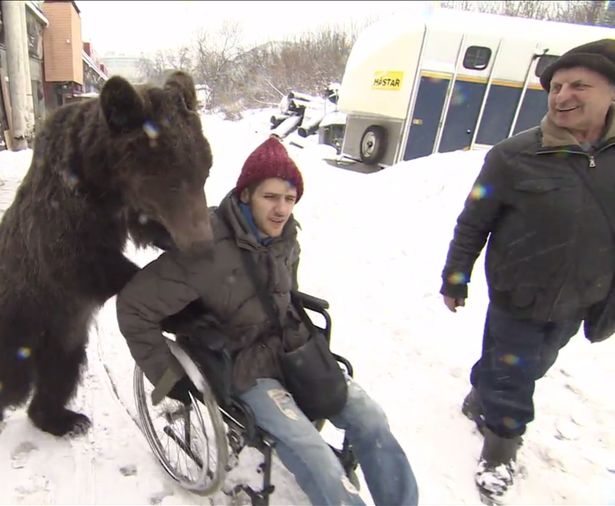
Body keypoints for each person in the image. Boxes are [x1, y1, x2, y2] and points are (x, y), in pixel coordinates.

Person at [116, 136, 418, 506]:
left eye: (289, 199)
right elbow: (134, 306)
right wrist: (168, 379)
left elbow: (285, 296)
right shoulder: (204, 248)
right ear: (245, 195)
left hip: (294, 350)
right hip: (243, 365)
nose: (281, 210)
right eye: (270, 197)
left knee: (370, 419)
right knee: (313, 452)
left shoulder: (287, 238)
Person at [439, 39, 615, 502]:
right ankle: (501, 445)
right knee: (514, 377)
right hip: (517, 294)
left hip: (580, 298)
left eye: (580, 85)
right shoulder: (512, 156)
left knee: (532, 365)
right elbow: (474, 220)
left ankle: (483, 391)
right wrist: (456, 276)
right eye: (556, 86)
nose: (562, 96)